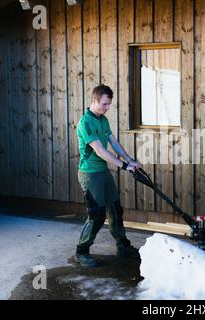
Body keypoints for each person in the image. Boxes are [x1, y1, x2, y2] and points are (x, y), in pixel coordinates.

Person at [75, 84, 140, 267]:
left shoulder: (102, 120)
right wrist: (123, 165)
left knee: (115, 209)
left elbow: (114, 142)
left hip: (103, 171)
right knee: (96, 214)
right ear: (94, 100)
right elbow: (100, 151)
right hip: (89, 173)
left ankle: (123, 246)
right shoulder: (86, 122)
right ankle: (81, 251)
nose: (107, 108)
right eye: (104, 104)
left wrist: (130, 159)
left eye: (109, 104)